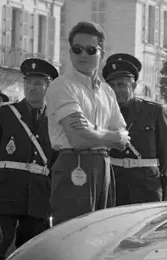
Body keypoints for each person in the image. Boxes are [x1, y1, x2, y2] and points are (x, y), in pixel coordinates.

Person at [45, 21, 129, 226]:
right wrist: (109, 136)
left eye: (91, 50)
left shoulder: (107, 91)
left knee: (101, 231)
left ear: (101, 53)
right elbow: (77, 138)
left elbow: (123, 136)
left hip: (103, 164)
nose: (83, 54)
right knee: (72, 232)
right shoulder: (62, 86)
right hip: (74, 163)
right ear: (70, 52)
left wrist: (93, 131)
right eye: (77, 49)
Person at [0, 58, 59, 260]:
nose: (31, 88)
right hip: (6, 191)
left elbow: (56, 161)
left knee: (31, 252)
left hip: (39, 195)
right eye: (28, 83)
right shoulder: (5, 113)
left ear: (48, 87)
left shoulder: (55, 118)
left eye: (38, 84)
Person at [103, 53, 167, 205]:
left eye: (121, 84)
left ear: (133, 86)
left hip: (146, 186)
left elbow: (165, 152)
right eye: (112, 85)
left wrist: (157, 180)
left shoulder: (154, 111)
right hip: (115, 185)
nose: (116, 90)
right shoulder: (103, 113)